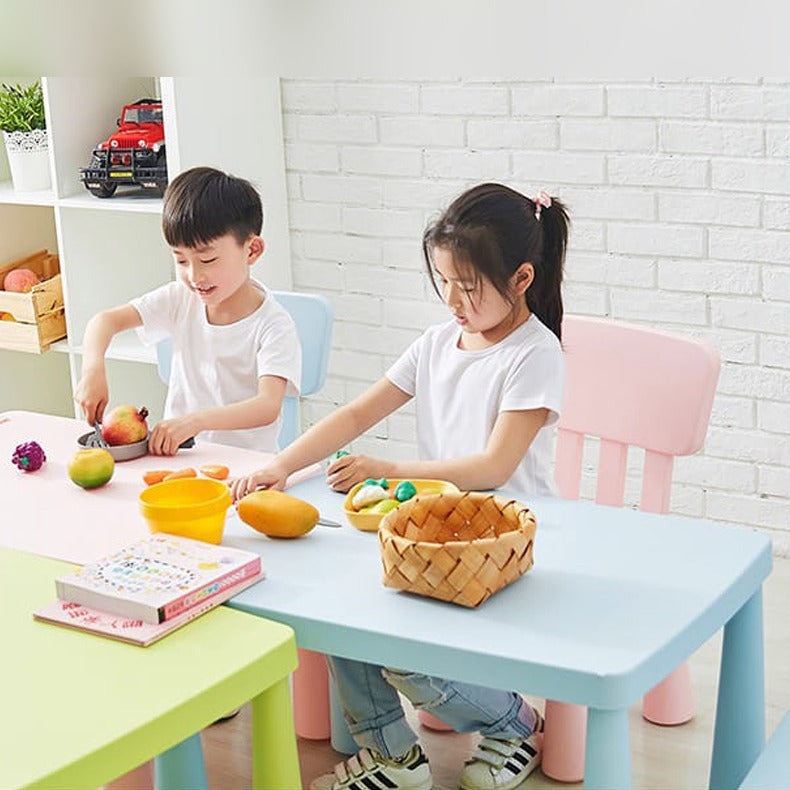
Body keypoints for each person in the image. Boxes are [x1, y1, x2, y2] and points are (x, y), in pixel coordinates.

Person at [232, 183, 570, 790]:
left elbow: (494, 467)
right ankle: (394, 754)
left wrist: (390, 471)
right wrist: (283, 465)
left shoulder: (534, 354)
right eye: (444, 282)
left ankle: (513, 722)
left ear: (521, 279)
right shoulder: (439, 342)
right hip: (433, 537)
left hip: (497, 550)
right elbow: (356, 414)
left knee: (401, 655)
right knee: (339, 615)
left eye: (468, 287)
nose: (453, 301)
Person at [74, 166, 301, 455]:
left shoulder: (273, 324)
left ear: (252, 250)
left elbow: (267, 406)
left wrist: (194, 422)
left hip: (246, 466)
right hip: (179, 457)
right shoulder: (181, 298)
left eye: (208, 260)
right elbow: (104, 321)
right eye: (181, 261)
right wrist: (93, 370)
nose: (194, 276)